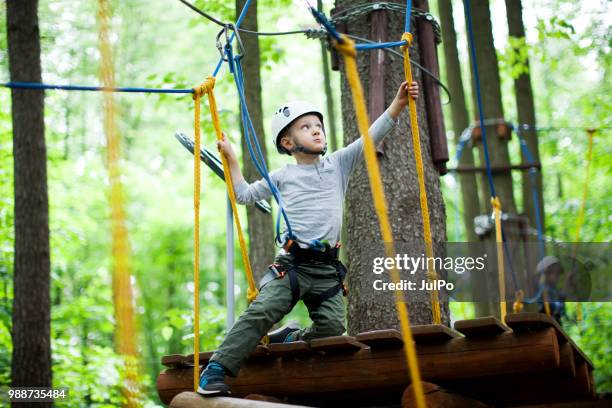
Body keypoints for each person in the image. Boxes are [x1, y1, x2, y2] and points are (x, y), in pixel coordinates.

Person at [198, 80, 419, 395]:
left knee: (331, 328)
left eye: (318, 126)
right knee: (262, 311)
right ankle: (216, 369)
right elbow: (244, 195)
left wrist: (398, 104)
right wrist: (232, 158)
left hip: (327, 269)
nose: (317, 131)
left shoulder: (338, 165)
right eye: (306, 128)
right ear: (288, 142)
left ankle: (292, 337)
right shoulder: (282, 176)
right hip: (292, 267)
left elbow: (372, 138)